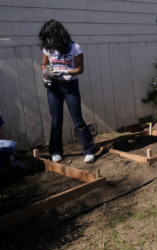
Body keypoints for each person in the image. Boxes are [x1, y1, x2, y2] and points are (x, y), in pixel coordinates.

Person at [39, 20, 95, 163]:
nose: (48, 40)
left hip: (70, 86)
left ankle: (88, 150)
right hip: (54, 87)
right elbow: (43, 64)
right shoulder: (47, 48)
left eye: (50, 37)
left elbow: (80, 69)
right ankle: (56, 151)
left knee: (77, 119)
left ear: (57, 35)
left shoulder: (74, 48)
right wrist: (45, 72)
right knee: (56, 120)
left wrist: (64, 72)